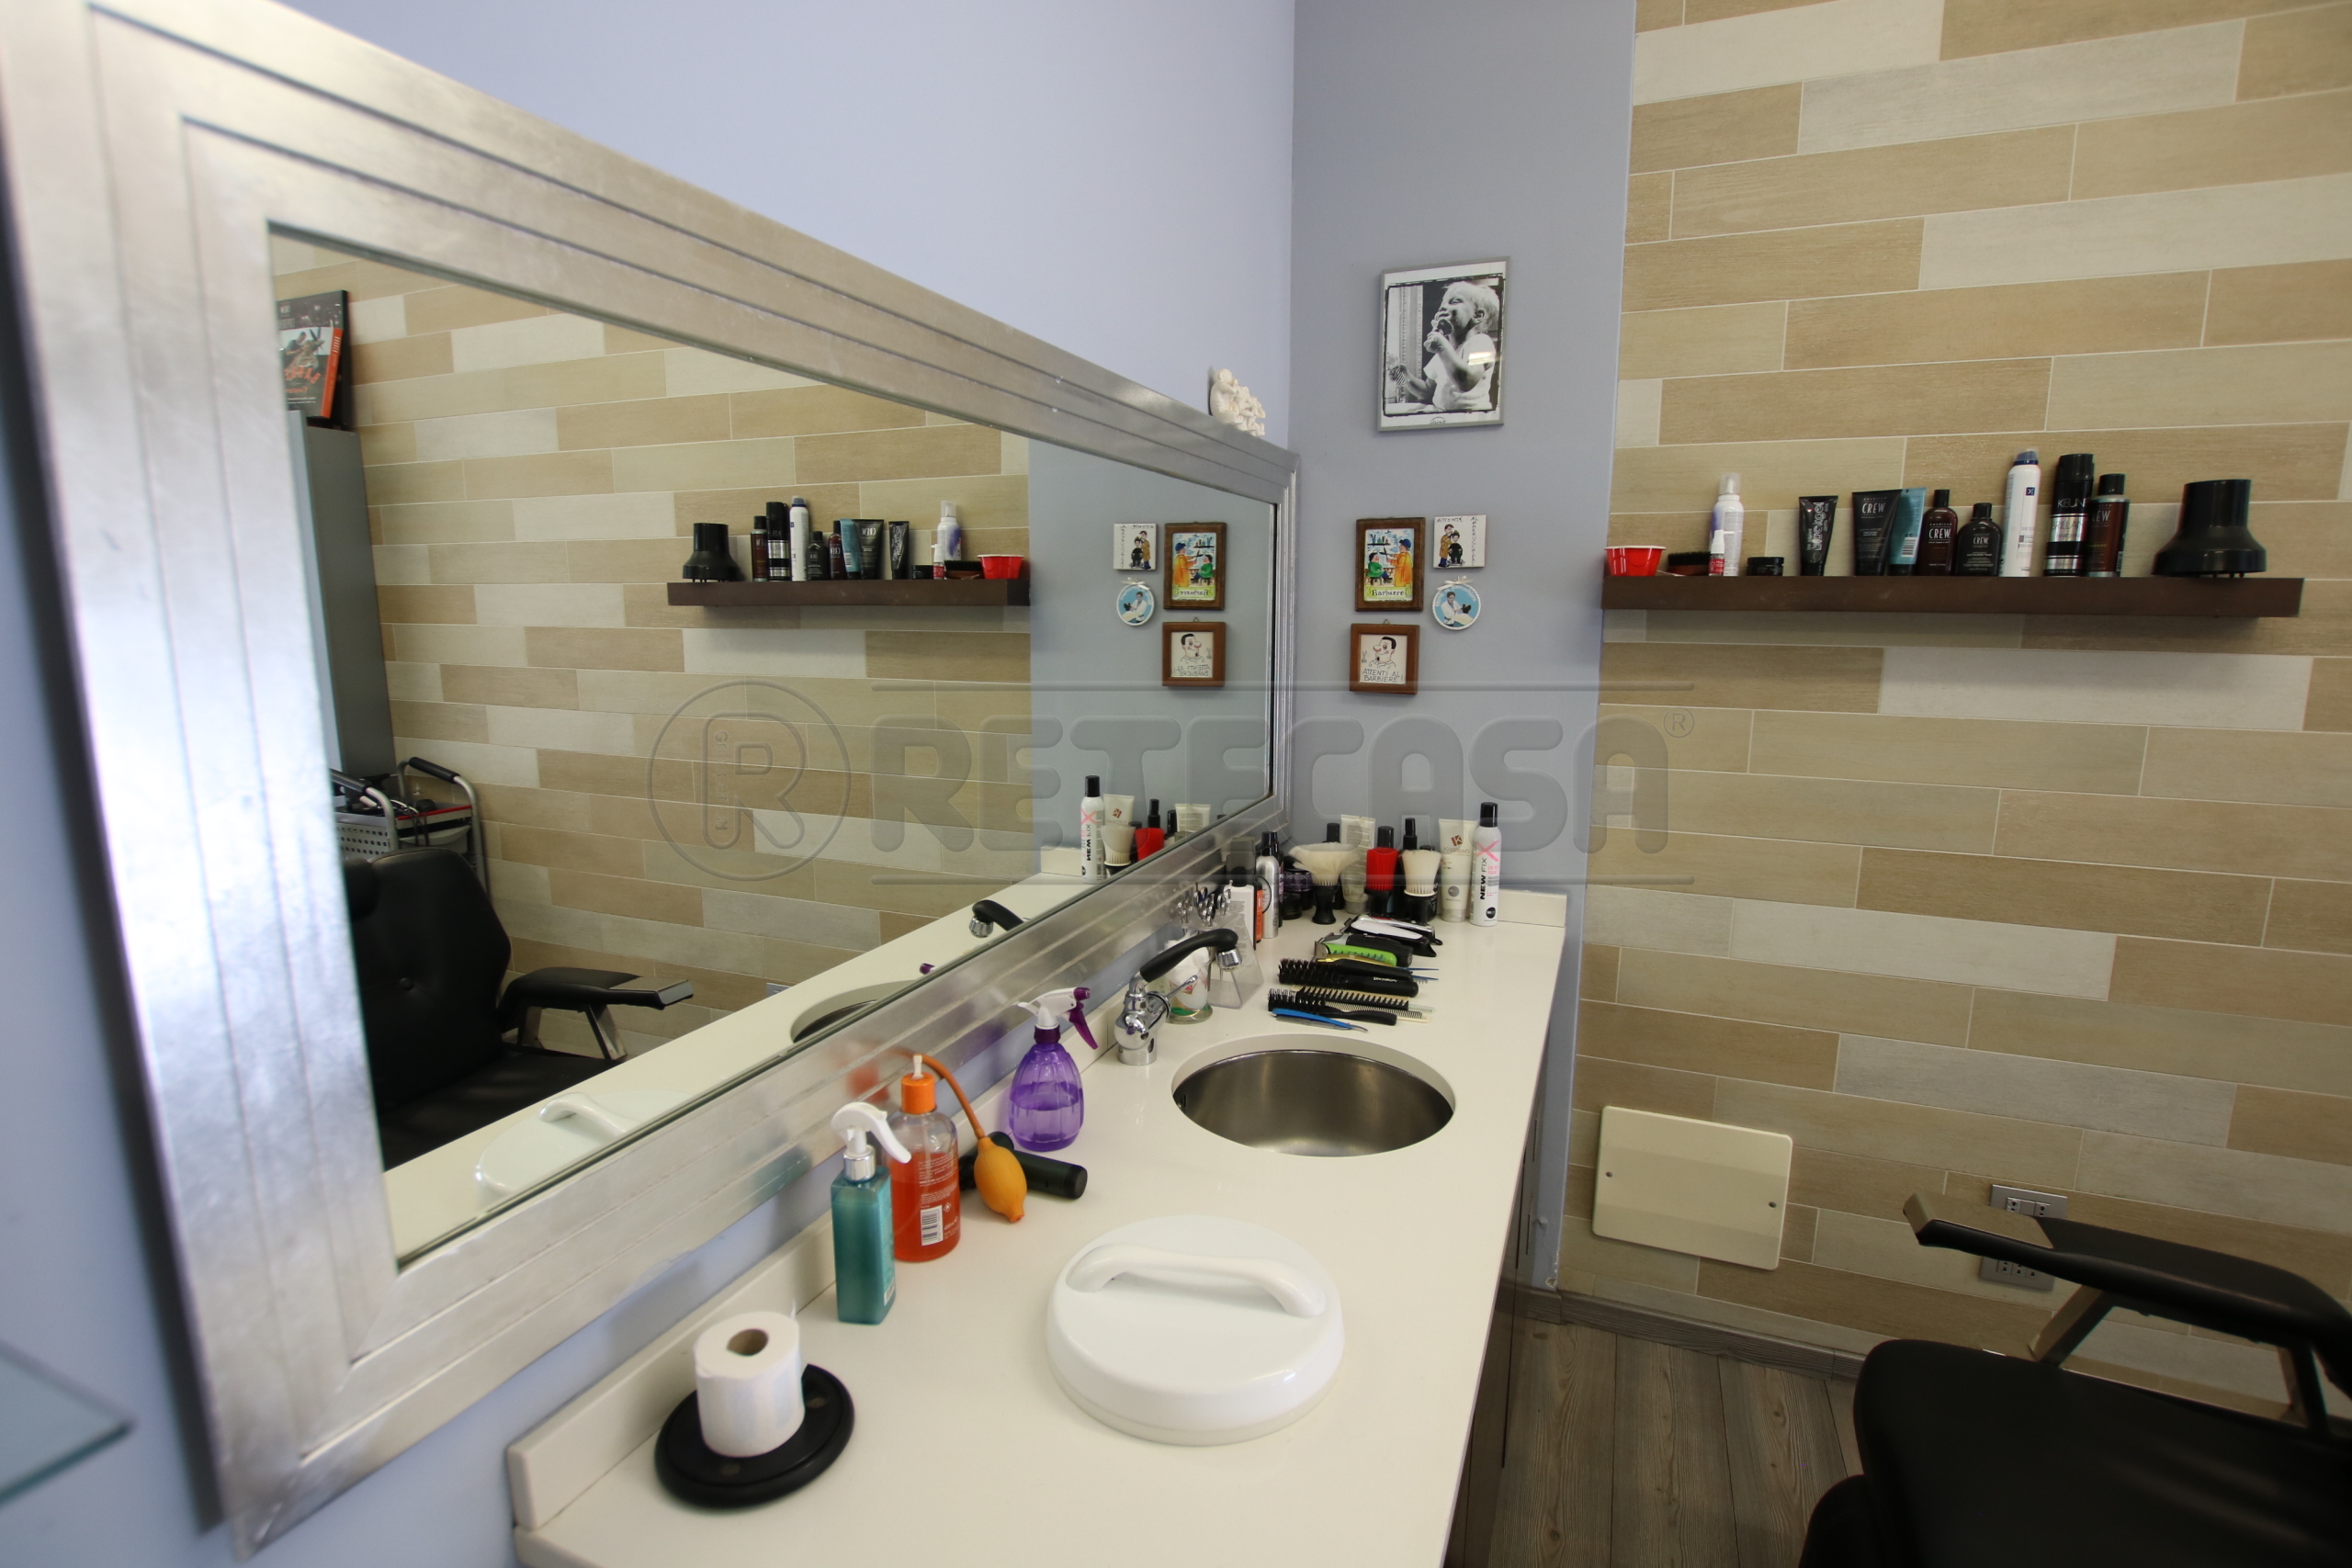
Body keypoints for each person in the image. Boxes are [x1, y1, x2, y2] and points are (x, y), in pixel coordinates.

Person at [1386, 280, 1499, 412]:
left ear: (1477, 315)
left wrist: (1442, 348)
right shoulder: (1443, 353)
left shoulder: (1481, 343)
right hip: (1442, 413)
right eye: (1442, 304)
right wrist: (1404, 377)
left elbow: (1467, 382)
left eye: (1454, 302)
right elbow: (1426, 392)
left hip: (1470, 416)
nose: (1443, 307)